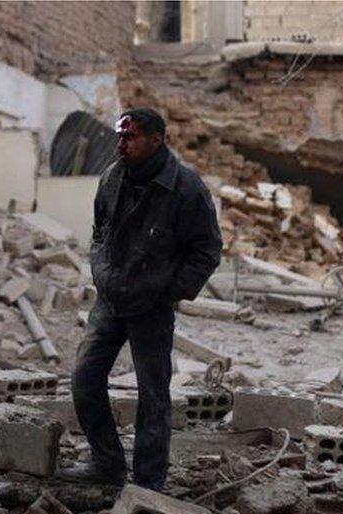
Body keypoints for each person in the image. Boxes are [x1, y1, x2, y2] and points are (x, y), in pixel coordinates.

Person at [57, 108, 222, 491]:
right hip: (111, 299)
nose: (121, 143)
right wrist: (101, 271)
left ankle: (148, 484)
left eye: (130, 137)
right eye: (120, 136)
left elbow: (207, 251)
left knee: (153, 396)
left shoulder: (186, 188)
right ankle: (107, 464)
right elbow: (99, 232)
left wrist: (168, 290)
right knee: (84, 380)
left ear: (156, 140)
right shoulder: (112, 177)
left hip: (151, 306)